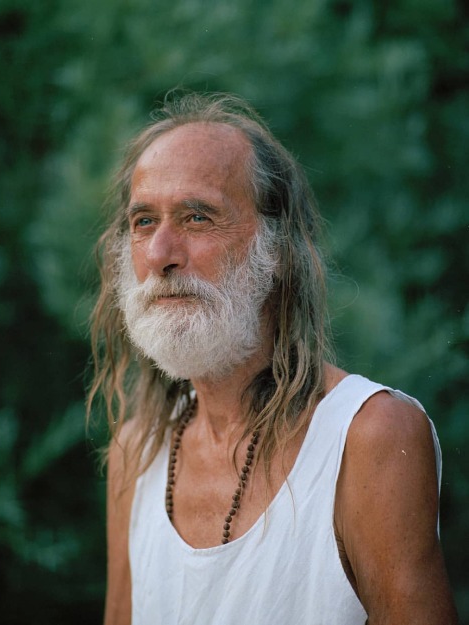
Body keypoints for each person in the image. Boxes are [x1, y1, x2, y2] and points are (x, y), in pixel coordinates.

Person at [88, 92, 458, 625]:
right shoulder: (136, 450)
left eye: (196, 217)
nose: (159, 254)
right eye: (144, 221)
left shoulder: (370, 435)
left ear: (278, 248)